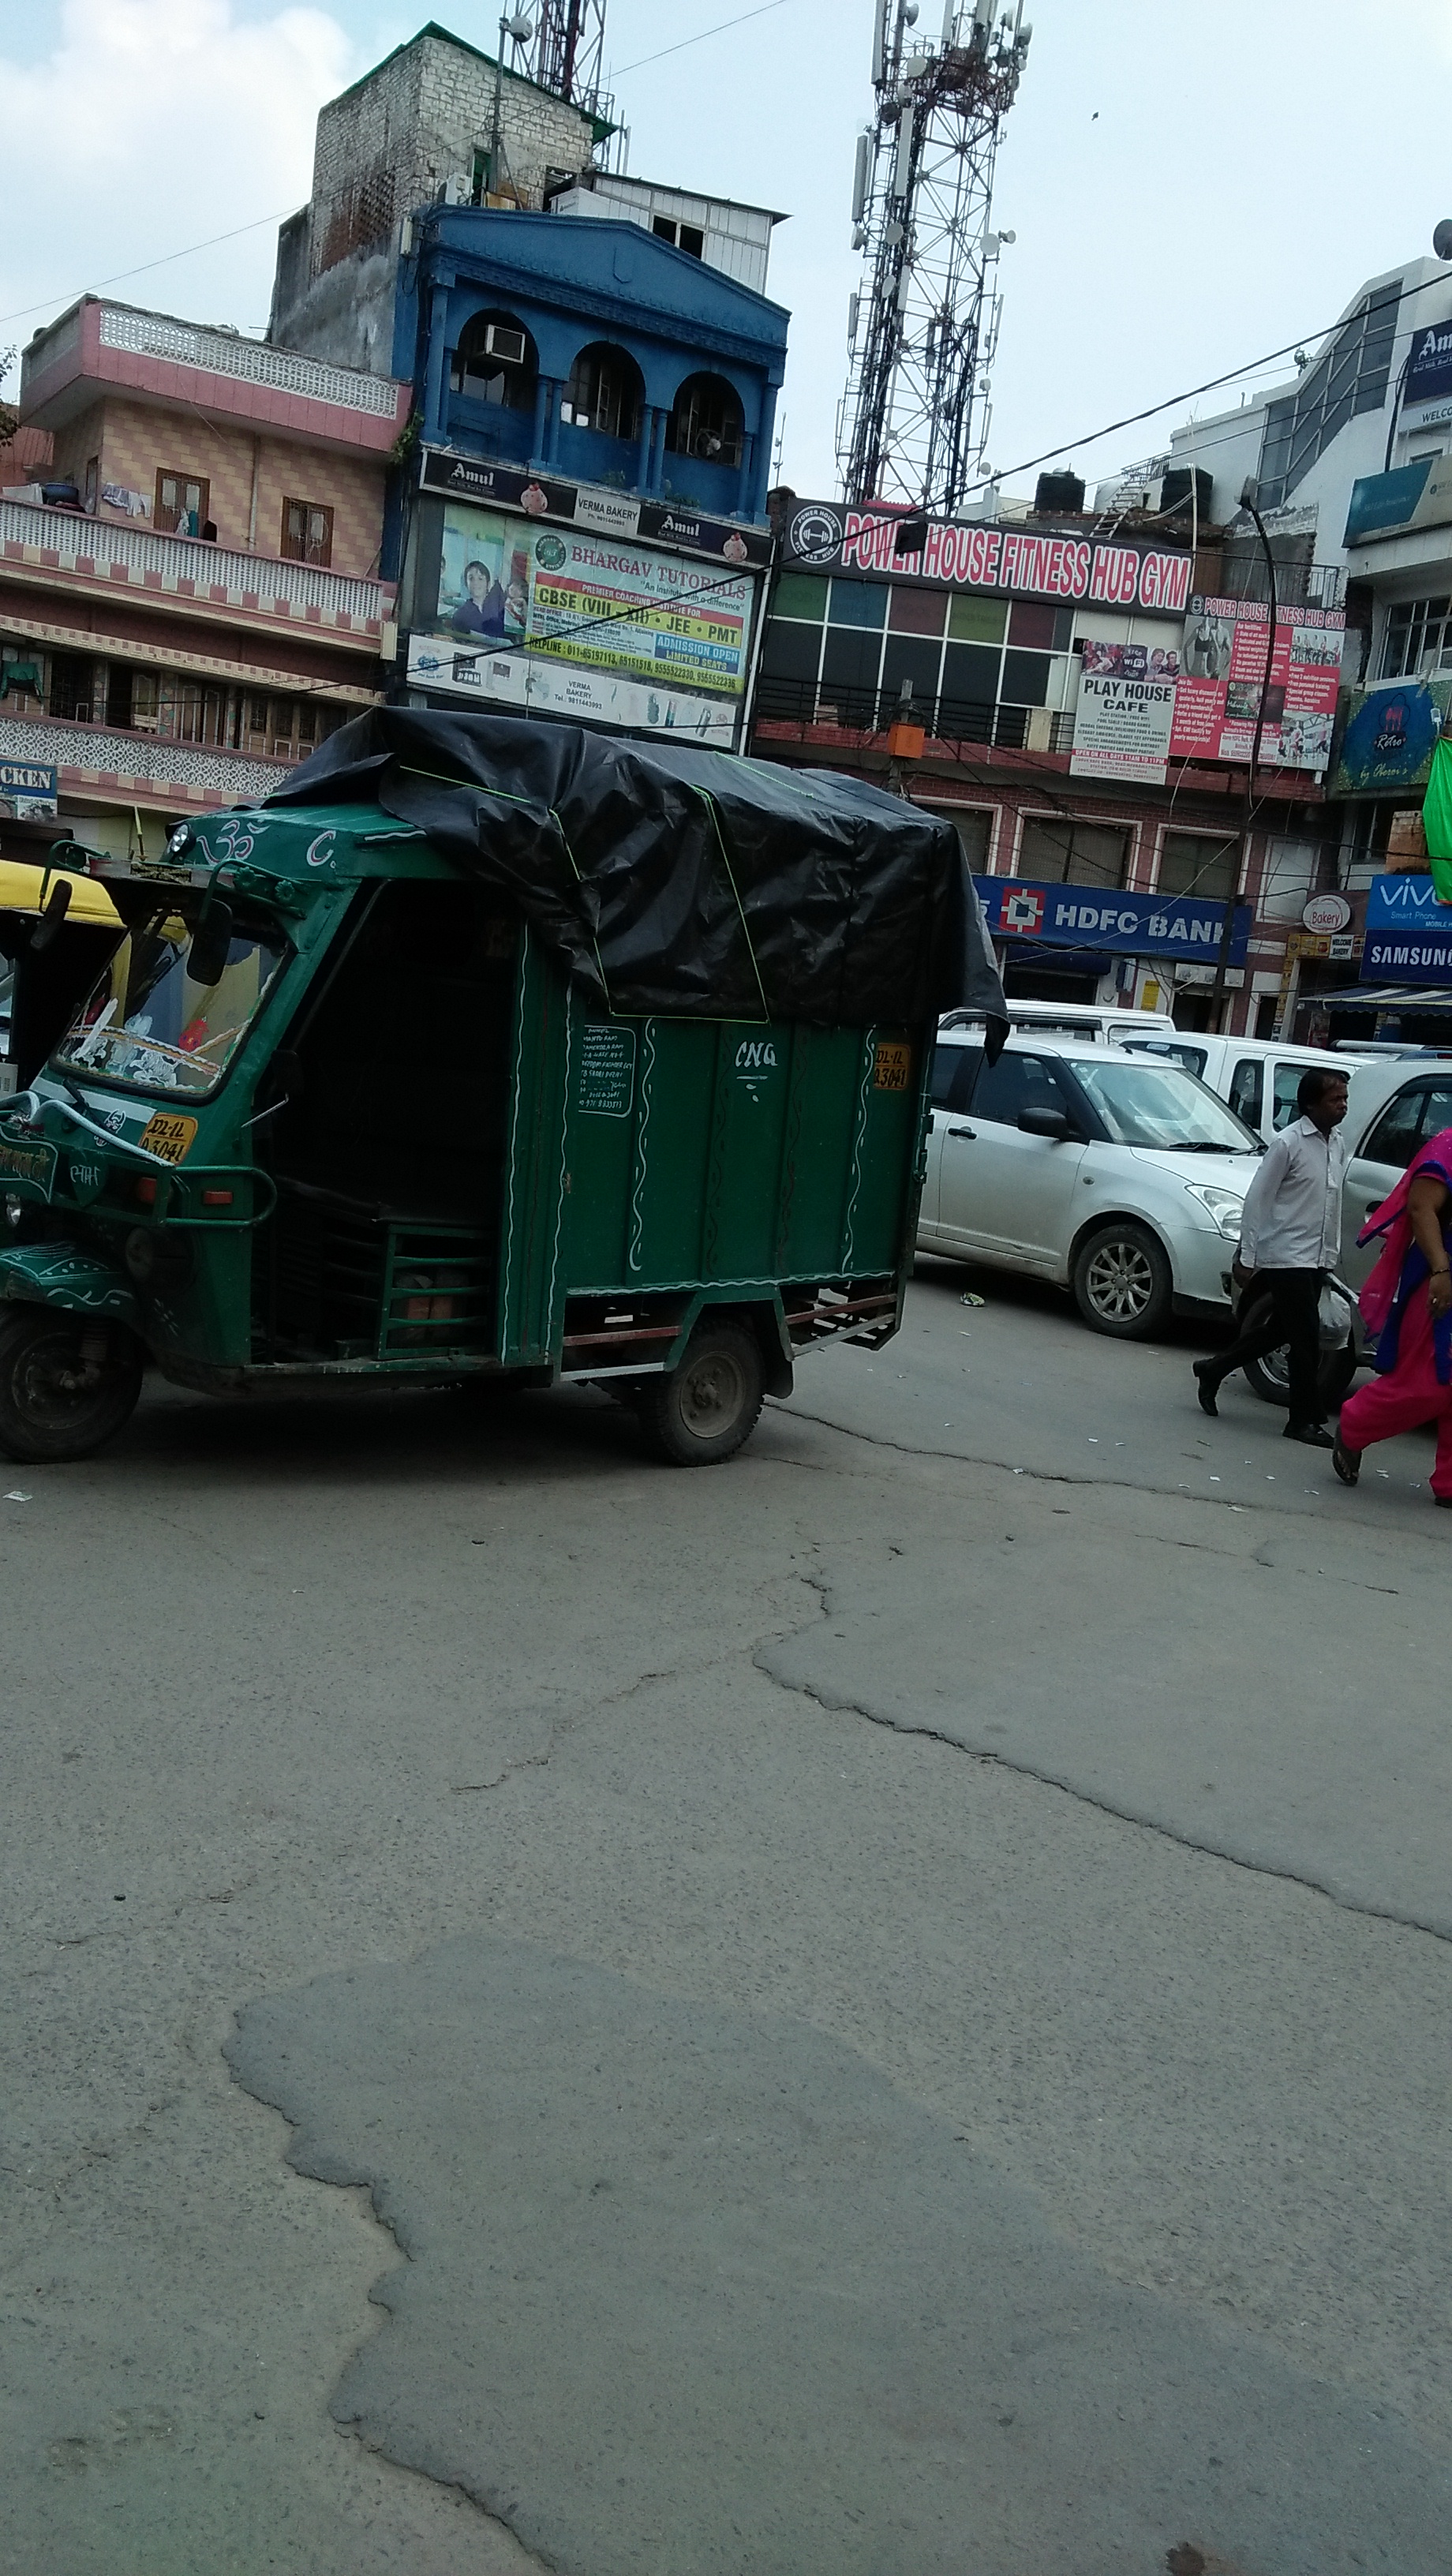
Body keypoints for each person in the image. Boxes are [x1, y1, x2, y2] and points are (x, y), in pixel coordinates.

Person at [1192, 1065, 1349, 1447]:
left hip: (1316, 1256)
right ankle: (1303, 1419)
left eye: (1345, 1099)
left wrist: (1330, 1253)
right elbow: (1257, 1199)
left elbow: (1330, 1202)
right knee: (1306, 1339)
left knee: (1282, 1330)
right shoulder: (1288, 1144)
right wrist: (1247, 1254)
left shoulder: (1337, 1143)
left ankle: (1213, 1368)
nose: (1342, 1106)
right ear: (1310, 1104)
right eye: (1335, 1100)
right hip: (1286, 1256)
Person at [1333, 1128, 1452, 1501]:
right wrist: (1440, 1271)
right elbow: (1421, 1208)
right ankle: (1356, 1422)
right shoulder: (1446, 1147)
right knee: (1432, 1381)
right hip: (1442, 1277)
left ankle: (1449, 1482)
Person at [451, 560, 507, 638]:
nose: (476, 583)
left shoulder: (497, 610)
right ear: (466, 584)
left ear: (488, 583)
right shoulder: (459, 616)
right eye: (471, 578)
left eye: (480, 579)